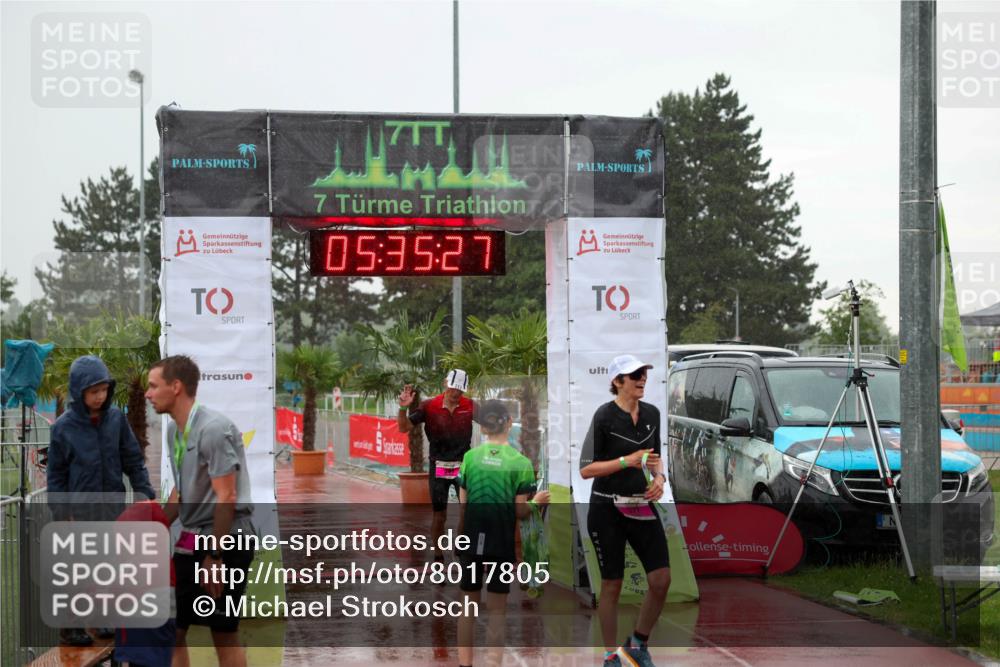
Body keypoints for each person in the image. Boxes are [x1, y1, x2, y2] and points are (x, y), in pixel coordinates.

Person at [145, 355, 255, 667]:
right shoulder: (173, 431)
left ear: (176, 387)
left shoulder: (214, 429)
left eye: (153, 386)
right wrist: (149, 530)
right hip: (191, 539)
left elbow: (227, 495)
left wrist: (215, 556)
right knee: (173, 630)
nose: (148, 394)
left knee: (223, 632)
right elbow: (181, 492)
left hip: (226, 541)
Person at [47, 354, 155, 647]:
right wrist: (61, 513)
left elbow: (133, 460)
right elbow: (56, 476)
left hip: (112, 508)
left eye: (104, 389)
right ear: (78, 390)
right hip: (79, 513)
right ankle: (71, 627)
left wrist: (145, 494)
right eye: (94, 391)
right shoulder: (62, 428)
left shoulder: (116, 420)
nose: (100, 396)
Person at [580, 354, 670, 667]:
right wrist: (626, 461)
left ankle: (638, 644)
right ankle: (610, 656)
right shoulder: (604, 416)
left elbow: (655, 458)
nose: (642, 379)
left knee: (661, 579)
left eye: (644, 373)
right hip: (606, 509)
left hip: (641, 506)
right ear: (618, 382)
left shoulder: (652, 413)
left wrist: (659, 478)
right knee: (612, 585)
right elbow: (586, 469)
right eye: (635, 375)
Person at [456, 400, 549, 667]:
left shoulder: (470, 458)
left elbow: (463, 503)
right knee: (497, 610)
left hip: (471, 538)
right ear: (508, 422)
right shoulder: (520, 463)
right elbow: (520, 511)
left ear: (483, 427)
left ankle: (464, 664)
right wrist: (537, 502)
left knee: (468, 607)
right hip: (501, 541)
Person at [397, 369, 478, 557]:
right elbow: (403, 427)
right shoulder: (429, 406)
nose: (456, 393)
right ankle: (438, 554)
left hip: (462, 467)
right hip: (439, 467)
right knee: (440, 515)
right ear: (445, 383)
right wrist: (402, 408)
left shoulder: (470, 406)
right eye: (453, 388)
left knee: (466, 511)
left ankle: (461, 549)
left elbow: (494, 424)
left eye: (460, 390)